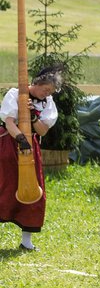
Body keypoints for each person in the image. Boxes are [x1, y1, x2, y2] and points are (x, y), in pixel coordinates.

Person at [0, 66, 62, 251]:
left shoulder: (47, 102)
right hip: (8, 143)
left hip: (30, 147)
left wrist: (34, 116)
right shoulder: (15, 94)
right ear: (37, 83)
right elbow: (9, 122)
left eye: (50, 91)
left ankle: (26, 242)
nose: (48, 93)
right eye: (46, 89)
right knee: (4, 186)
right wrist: (20, 138)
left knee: (32, 189)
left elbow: (43, 130)